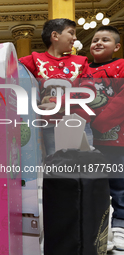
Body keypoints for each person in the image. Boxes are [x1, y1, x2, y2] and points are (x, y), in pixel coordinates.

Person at [19, 18, 96, 155]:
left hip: (79, 123)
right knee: (58, 169)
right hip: (50, 126)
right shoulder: (34, 59)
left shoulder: (81, 61)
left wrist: (56, 102)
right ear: (55, 36)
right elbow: (10, 67)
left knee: (85, 167)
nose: (75, 38)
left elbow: (88, 92)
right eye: (71, 33)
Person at [87, 25, 124, 251]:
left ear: (117, 46)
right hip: (88, 142)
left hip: (116, 140)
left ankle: (119, 226)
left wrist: (100, 122)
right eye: (95, 39)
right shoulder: (84, 70)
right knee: (95, 187)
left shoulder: (121, 66)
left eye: (105, 40)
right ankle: (99, 230)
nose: (98, 43)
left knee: (119, 186)